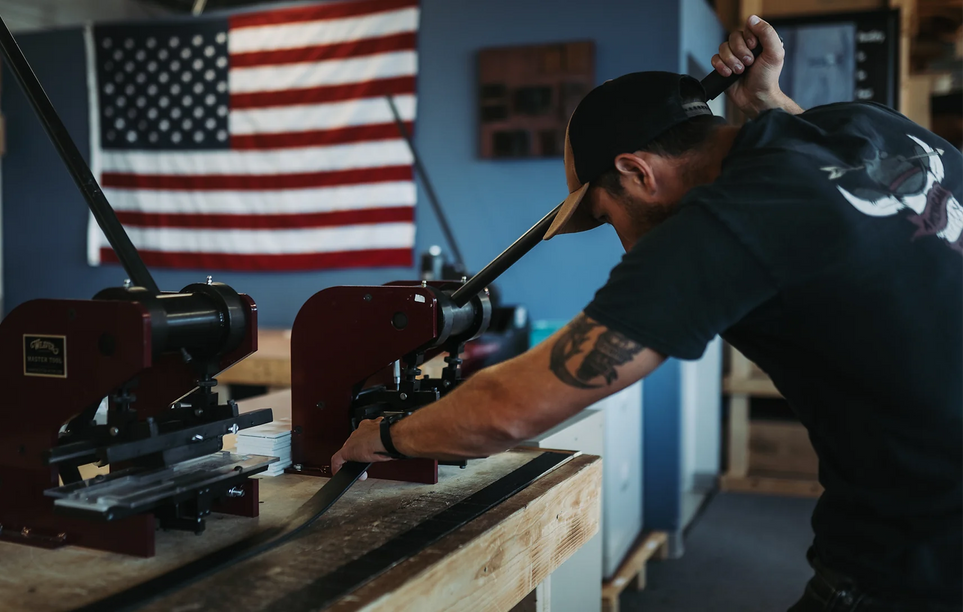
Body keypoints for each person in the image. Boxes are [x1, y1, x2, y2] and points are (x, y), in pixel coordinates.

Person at [331, 14, 963, 612]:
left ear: (636, 171)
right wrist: (764, 103)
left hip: (922, 554)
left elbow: (512, 409)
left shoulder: (724, 222)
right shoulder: (868, 126)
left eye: (607, 218)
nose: (624, 243)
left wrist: (384, 438)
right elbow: (838, 176)